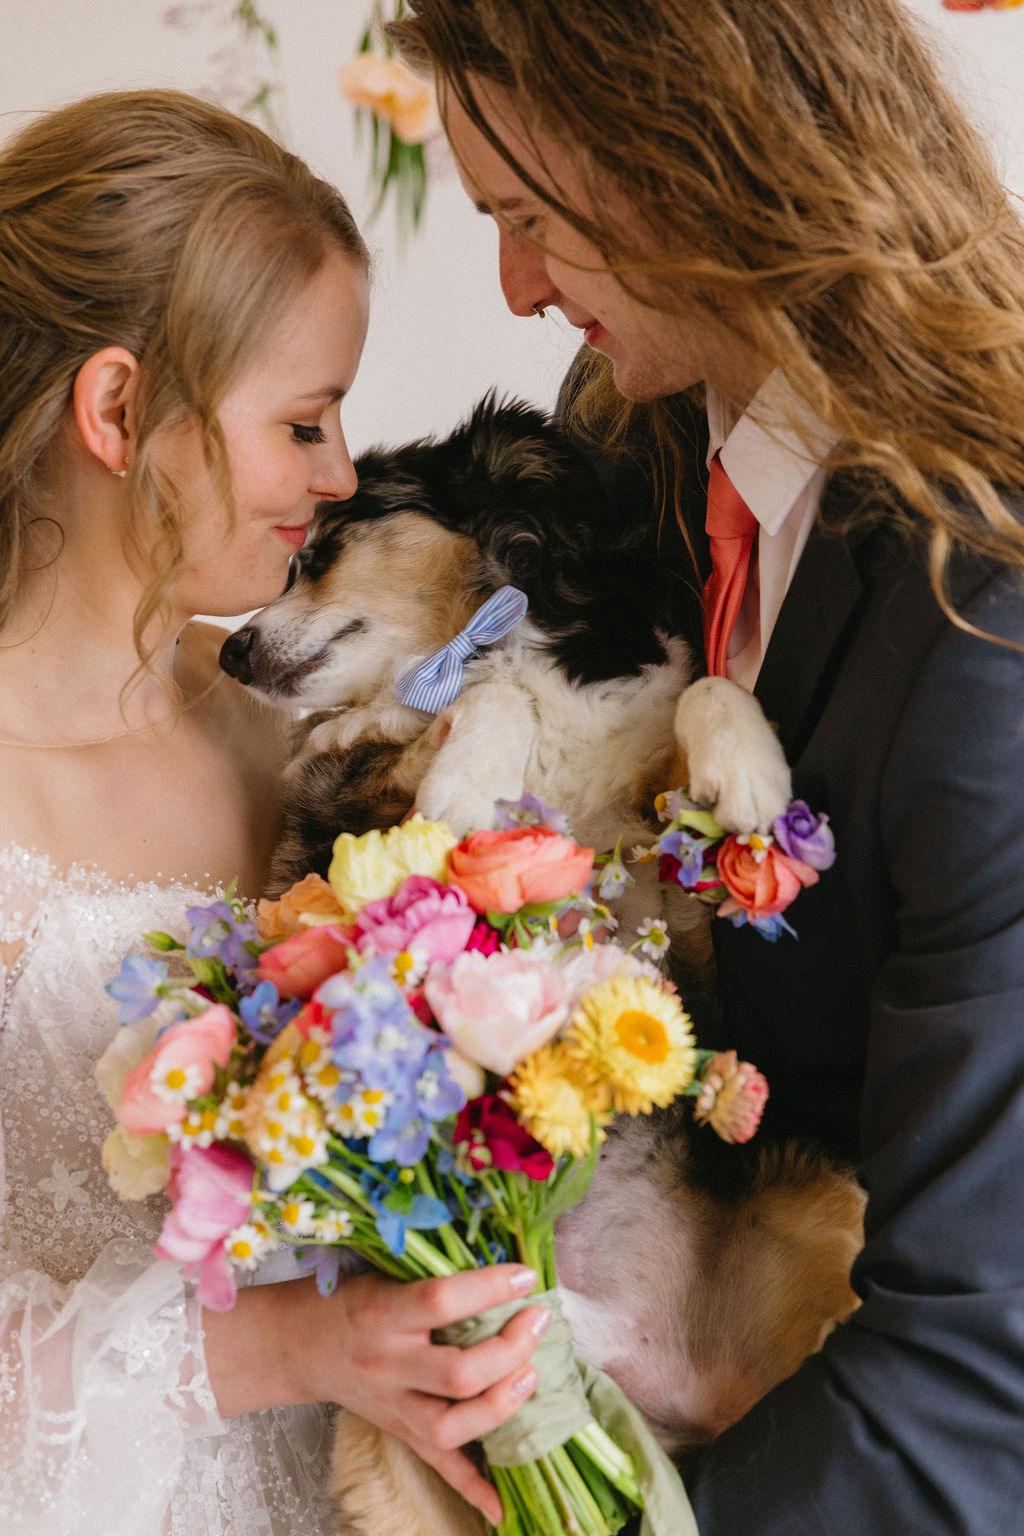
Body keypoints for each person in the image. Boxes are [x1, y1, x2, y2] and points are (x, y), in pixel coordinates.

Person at [388, 2, 1024, 1532]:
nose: (516, 287)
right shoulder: (636, 455)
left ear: (694, 161)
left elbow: (983, 1368)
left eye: (532, 217)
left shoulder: (983, 636)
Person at [0, 89, 545, 1536]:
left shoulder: (305, 745)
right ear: (118, 410)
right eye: (302, 421)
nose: (342, 475)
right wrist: (296, 1349)